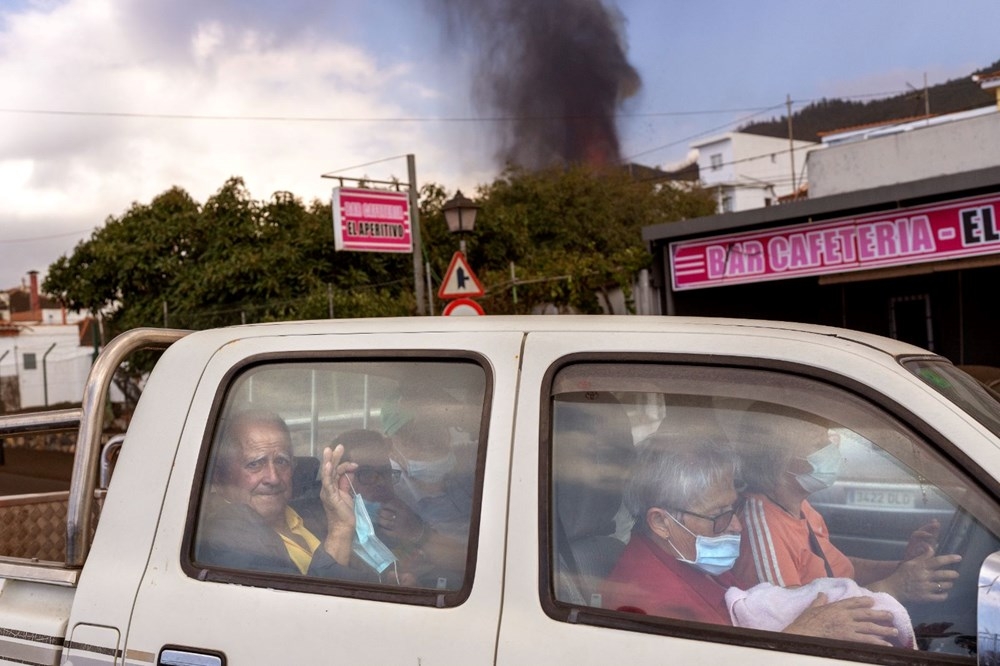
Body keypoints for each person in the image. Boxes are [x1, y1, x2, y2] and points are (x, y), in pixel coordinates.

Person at [603, 434, 905, 646]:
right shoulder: (648, 603)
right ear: (661, 522)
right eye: (719, 514)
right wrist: (801, 637)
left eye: (736, 507)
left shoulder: (692, 563)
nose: (736, 525)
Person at [731, 406, 961, 603]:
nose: (832, 448)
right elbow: (795, 621)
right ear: (780, 459)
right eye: (818, 444)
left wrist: (903, 569)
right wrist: (893, 587)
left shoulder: (800, 507)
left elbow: (838, 571)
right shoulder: (761, 529)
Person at [196, 409, 367, 580]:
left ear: (293, 467)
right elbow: (308, 603)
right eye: (255, 464)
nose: (273, 478)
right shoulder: (225, 537)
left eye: (281, 461)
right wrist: (340, 529)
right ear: (219, 476)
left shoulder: (300, 514)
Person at [378, 389, 475, 588]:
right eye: (414, 436)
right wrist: (418, 534)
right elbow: (479, 563)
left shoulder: (473, 466)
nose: (428, 442)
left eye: (435, 429)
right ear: (390, 448)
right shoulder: (390, 496)